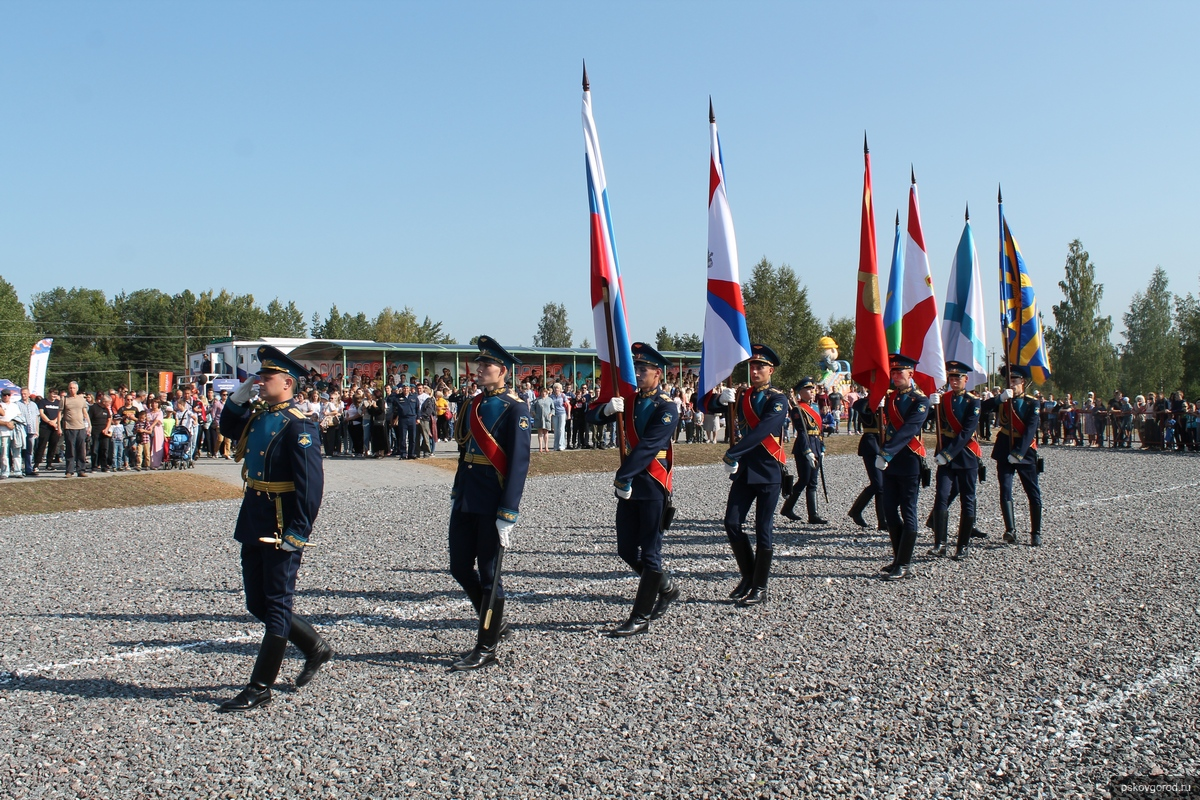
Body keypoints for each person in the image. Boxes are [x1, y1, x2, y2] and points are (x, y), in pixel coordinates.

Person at [217, 345, 330, 712]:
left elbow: (310, 486)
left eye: (266, 377)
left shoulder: (299, 424)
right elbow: (228, 427)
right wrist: (238, 396)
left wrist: (298, 532)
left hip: (281, 521)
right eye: (260, 376)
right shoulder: (262, 414)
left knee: (278, 604)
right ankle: (314, 646)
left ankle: (261, 685)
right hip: (255, 514)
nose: (260, 382)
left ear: (288, 382)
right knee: (257, 602)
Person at [447, 336, 531, 671]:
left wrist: (508, 511)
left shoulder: (516, 408)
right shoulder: (473, 404)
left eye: (486, 365)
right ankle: (494, 620)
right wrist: (457, 491)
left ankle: (486, 646)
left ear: (503, 371)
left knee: (489, 576)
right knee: (458, 566)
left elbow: (519, 463)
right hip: (467, 495)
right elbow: (464, 452)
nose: (479, 370)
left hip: (493, 500)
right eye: (479, 364)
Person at [587, 342, 679, 636]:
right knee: (626, 549)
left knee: (650, 553)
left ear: (657, 374)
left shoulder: (666, 407)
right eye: (635, 368)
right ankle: (665, 587)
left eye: (643, 369)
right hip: (629, 482)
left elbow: (650, 446)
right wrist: (605, 409)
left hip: (652, 482)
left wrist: (623, 475)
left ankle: (640, 617)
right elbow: (588, 416)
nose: (637, 374)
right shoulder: (628, 398)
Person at [705, 344, 788, 606]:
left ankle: (760, 587)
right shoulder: (742, 395)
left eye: (760, 366)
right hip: (744, 472)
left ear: (770, 370)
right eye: (752, 366)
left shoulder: (778, 399)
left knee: (763, 529)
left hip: (767, 470)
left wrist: (734, 453)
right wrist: (720, 400)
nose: (755, 370)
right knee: (731, 523)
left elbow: (763, 430)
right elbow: (705, 404)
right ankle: (748, 576)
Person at [876, 354, 930, 580]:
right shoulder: (891, 398)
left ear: (911, 374)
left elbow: (909, 430)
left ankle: (905, 564)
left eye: (901, 372)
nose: (896, 376)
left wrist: (887, 452)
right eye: (894, 373)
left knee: (908, 510)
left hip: (908, 460)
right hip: (891, 462)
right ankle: (897, 558)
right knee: (889, 510)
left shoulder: (920, 400)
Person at [981, 365, 1042, 546]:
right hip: (1004, 447)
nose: (1012, 384)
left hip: (1024, 451)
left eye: (1015, 381)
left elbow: (1031, 429)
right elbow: (983, 408)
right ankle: (1010, 529)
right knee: (1005, 489)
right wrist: (999, 398)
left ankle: (1035, 532)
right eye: (1009, 381)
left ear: (1023, 382)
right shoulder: (1003, 400)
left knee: (1032, 491)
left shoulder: (1032, 403)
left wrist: (1019, 453)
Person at [930, 361, 982, 560]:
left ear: (966, 380)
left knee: (967, 500)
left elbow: (967, 432)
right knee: (941, 496)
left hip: (966, 455)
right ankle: (940, 544)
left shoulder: (973, 402)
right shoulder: (943, 399)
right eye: (951, 378)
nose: (954, 381)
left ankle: (963, 545)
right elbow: (930, 419)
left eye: (958, 378)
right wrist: (929, 404)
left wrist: (948, 453)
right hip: (946, 457)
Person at [780, 376, 827, 524]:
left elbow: (818, 430)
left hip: (816, 445)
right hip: (804, 447)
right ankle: (787, 507)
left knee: (813, 481)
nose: (812, 392)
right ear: (800, 392)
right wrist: (807, 451)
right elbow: (801, 431)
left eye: (813, 389)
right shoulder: (797, 410)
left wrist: (822, 447)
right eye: (808, 389)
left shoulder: (813, 407)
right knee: (804, 480)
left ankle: (813, 515)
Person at [846, 390, 886, 531]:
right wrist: (873, 402)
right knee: (878, 484)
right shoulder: (862, 403)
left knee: (883, 486)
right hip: (871, 443)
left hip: (885, 443)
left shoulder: (887, 402)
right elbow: (860, 407)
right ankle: (856, 510)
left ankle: (883, 521)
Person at [60, 381, 91, 478]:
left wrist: (89, 425)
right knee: (70, 450)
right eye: (70, 388)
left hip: (80, 427)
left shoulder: (81, 399)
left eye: (73, 388)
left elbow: (85, 412)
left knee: (81, 450)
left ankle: (81, 470)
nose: (71, 389)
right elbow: (60, 413)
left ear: (77, 389)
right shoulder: (64, 399)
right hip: (69, 427)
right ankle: (69, 471)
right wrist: (58, 426)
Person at [35, 388, 62, 472]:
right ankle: (36, 464)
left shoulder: (58, 403)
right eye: (53, 393)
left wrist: (55, 422)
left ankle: (49, 464)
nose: (54, 396)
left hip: (55, 427)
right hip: (45, 427)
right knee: (42, 445)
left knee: (53, 445)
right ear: (49, 393)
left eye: (56, 394)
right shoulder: (43, 402)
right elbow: (41, 413)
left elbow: (60, 414)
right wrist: (49, 421)